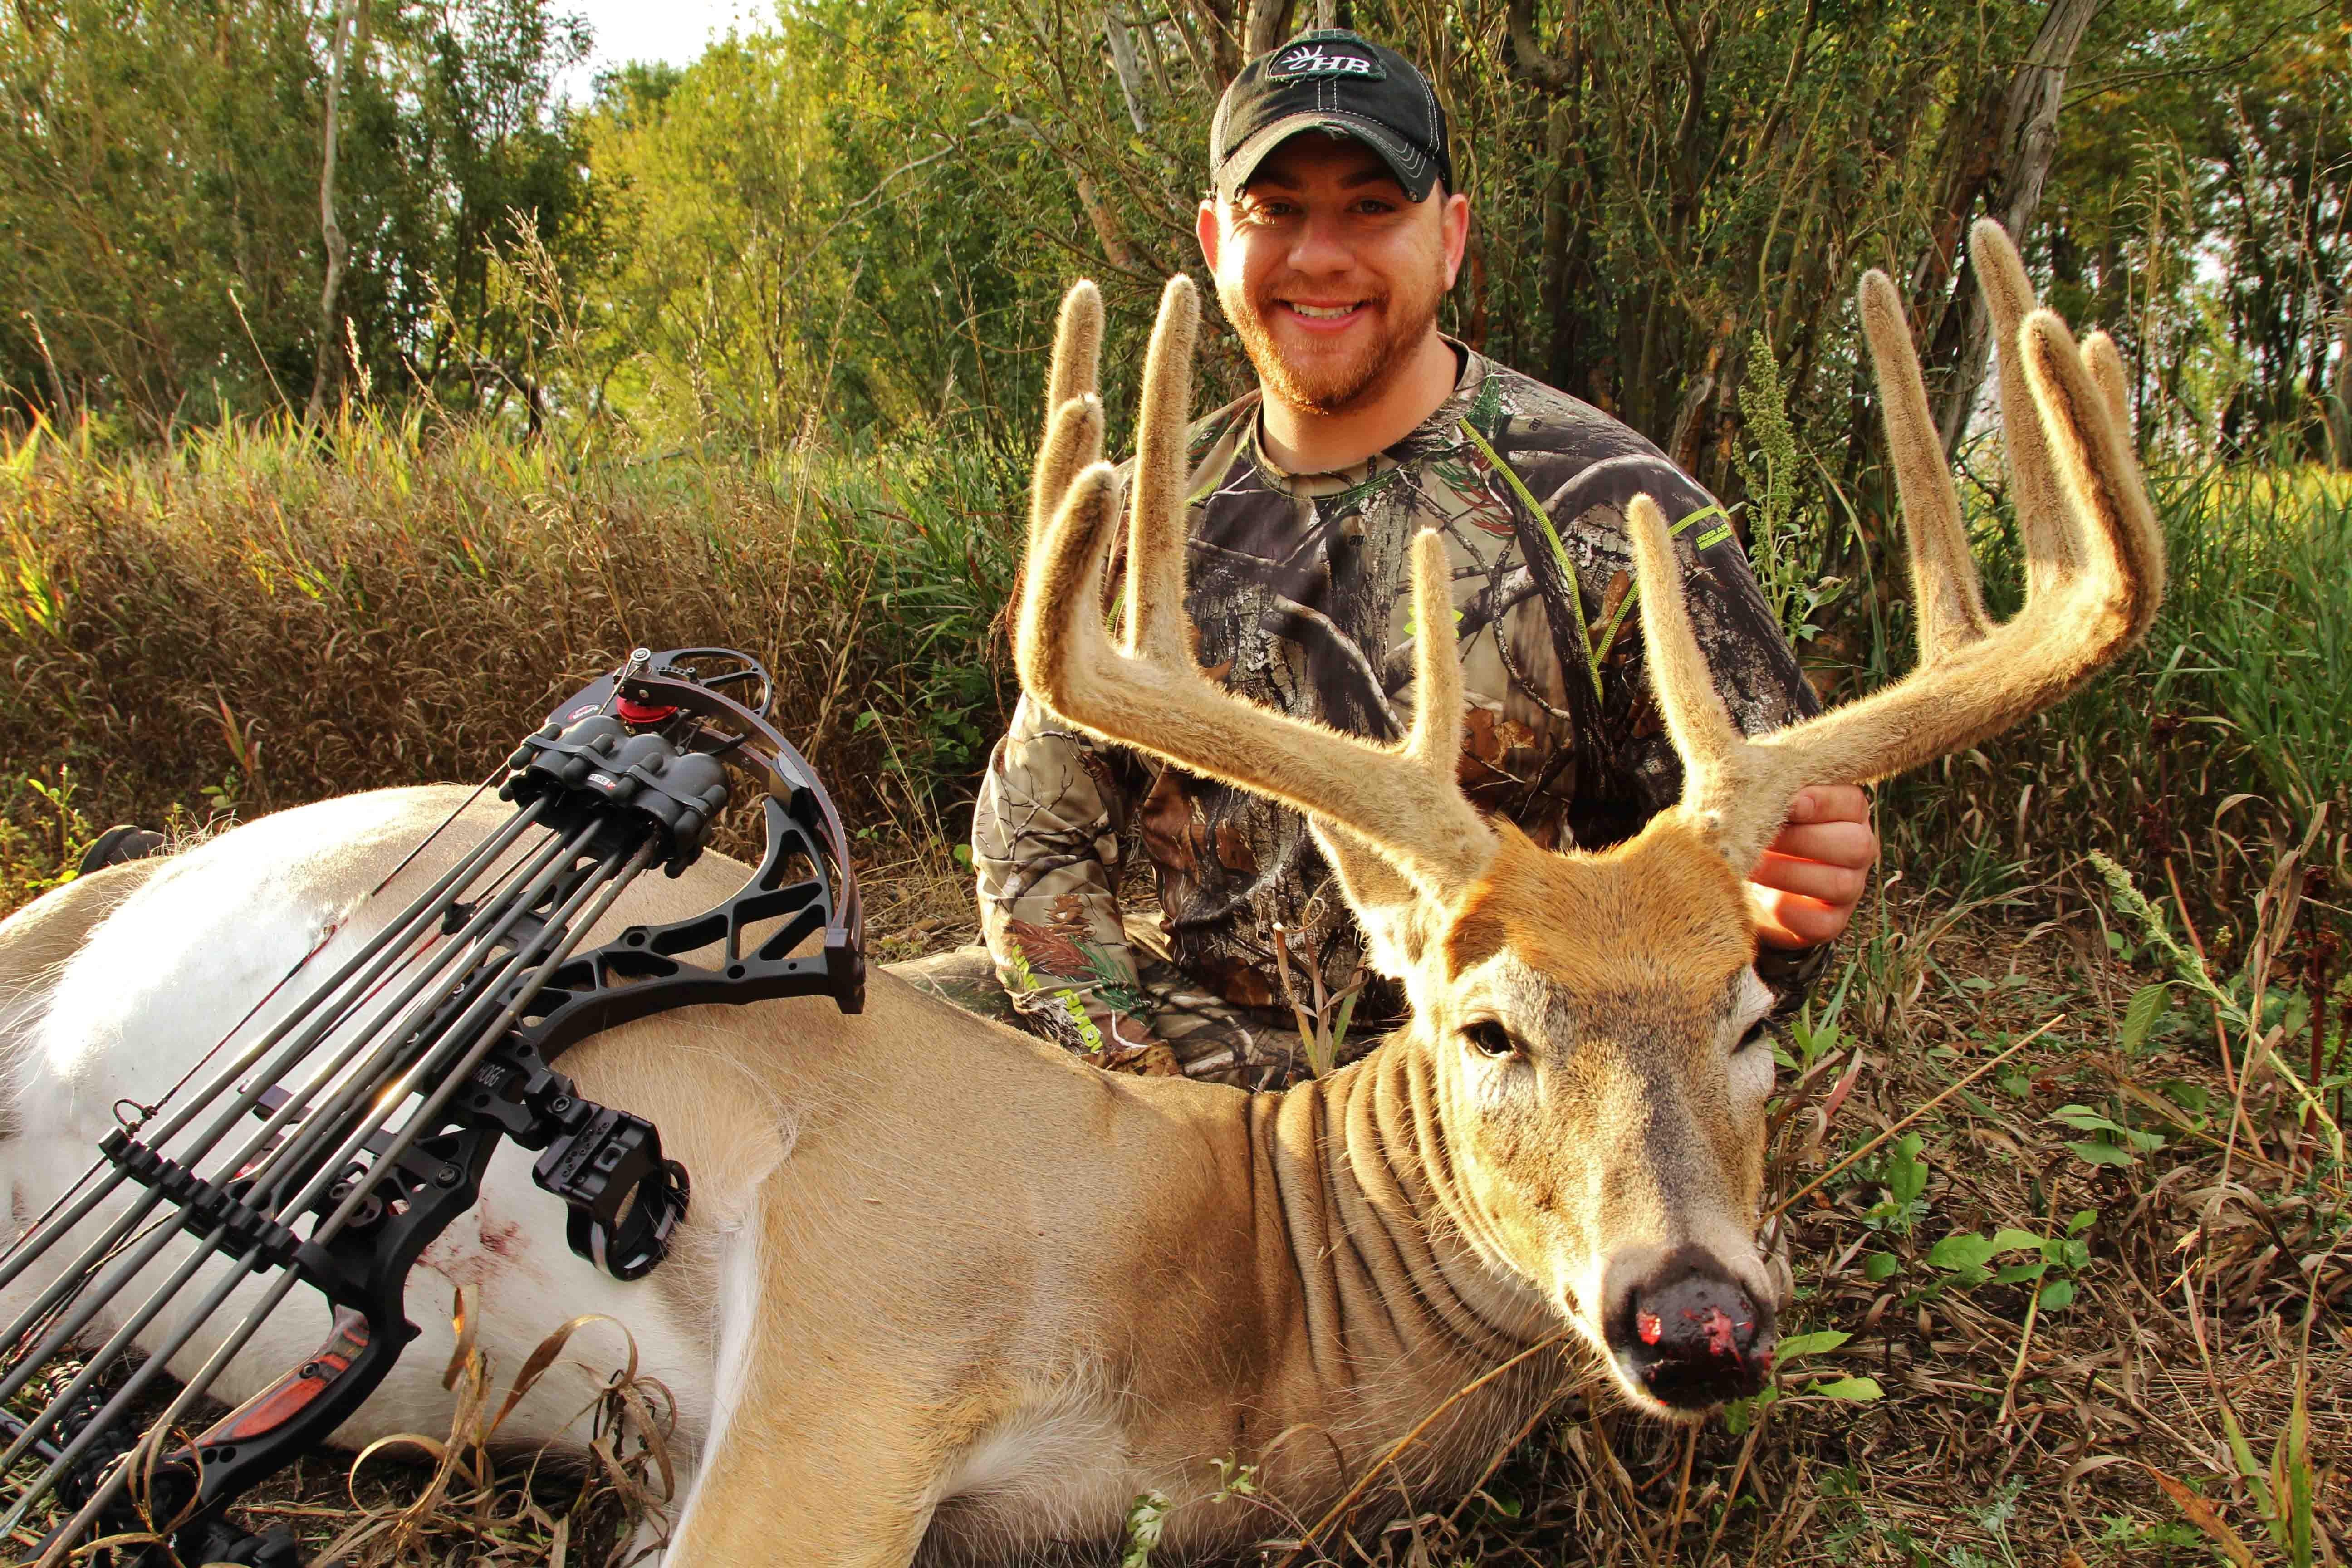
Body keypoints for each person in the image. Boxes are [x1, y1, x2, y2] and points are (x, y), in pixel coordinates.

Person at [929, 29, 1876, 1087]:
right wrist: (1136, 1096)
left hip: (1510, 1081)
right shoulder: (1149, 513)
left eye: (1373, 207)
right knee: (894, 1019)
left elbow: (1759, 908)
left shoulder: (1612, 507)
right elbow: (1036, 845)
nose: (1320, 253)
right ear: (1214, 239)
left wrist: (1796, 907)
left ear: (1452, 237)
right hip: (1200, 1081)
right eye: (1274, 209)